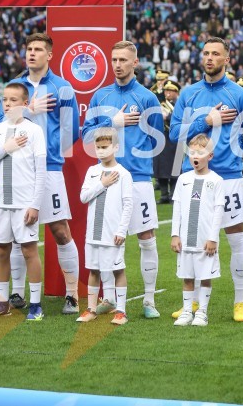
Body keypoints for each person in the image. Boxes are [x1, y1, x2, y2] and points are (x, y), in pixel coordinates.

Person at [169, 37, 243, 322]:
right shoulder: (189, 94)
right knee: (193, 242)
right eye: (206, 53)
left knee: (236, 241)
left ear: (227, 58)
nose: (209, 58)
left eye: (215, 54)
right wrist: (206, 122)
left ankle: (240, 302)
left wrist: (231, 152)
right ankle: (193, 304)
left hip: (230, 179)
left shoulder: (240, 95)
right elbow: (174, 133)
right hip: (194, 177)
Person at [0, 33, 80, 314]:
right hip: (17, 170)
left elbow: (73, 130)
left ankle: (71, 295)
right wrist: (28, 110)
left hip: (49, 170)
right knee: (16, 234)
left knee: (59, 230)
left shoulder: (62, 88)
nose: (32, 53)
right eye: (29, 49)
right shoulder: (15, 87)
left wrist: (49, 152)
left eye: (38, 50)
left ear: (50, 55)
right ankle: (17, 294)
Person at [82, 41, 163, 319]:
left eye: (123, 60)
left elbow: (156, 138)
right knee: (106, 240)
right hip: (107, 178)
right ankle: (108, 298)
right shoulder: (100, 97)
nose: (118, 64)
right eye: (114, 59)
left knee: (146, 237)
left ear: (135, 63)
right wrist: (112, 124)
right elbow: (85, 137)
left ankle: (149, 300)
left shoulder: (148, 98)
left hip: (138, 177)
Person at [0, 83, 47, 320]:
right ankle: (2, 303)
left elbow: (41, 171)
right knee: (1, 251)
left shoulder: (34, 131)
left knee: (29, 251)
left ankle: (36, 305)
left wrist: (35, 204)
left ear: (25, 104)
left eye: (13, 100)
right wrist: (5, 149)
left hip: (23, 202)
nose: (7, 104)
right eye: (5, 99)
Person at [76, 128, 134, 326]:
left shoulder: (124, 174)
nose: (100, 151)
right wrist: (102, 183)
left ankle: (121, 311)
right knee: (94, 270)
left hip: (112, 233)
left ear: (116, 147)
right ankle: (91, 309)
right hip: (93, 233)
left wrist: (121, 230)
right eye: (98, 147)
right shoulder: (92, 172)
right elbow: (83, 197)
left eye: (105, 147)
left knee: (118, 270)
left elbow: (128, 204)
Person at [171, 134, 224, 327]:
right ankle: (187, 311)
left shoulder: (216, 180)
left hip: (204, 240)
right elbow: (177, 207)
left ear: (209, 156)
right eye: (192, 152)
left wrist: (213, 238)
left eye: (200, 152)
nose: (195, 156)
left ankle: (202, 312)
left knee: (205, 277)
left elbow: (218, 211)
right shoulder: (183, 179)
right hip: (185, 239)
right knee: (187, 276)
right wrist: (175, 234)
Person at [155, 80, 180, 204]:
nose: (168, 93)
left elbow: (181, 117)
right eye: (166, 91)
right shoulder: (161, 104)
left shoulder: (179, 104)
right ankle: (164, 195)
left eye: (170, 91)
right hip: (162, 137)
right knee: (161, 168)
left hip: (174, 139)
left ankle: (173, 194)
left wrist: (168, 116)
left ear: (176, 92)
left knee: (175, 168)